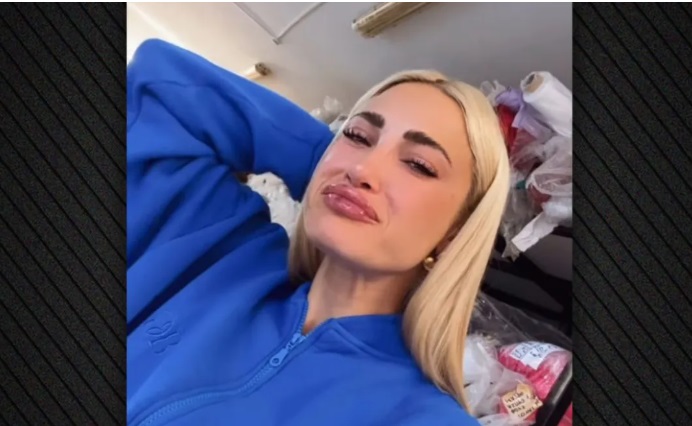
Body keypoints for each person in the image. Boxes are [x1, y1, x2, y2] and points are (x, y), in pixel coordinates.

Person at [127, 39, 509, 426]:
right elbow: (158, 80)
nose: (361, 169)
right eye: (357, 137)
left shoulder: (421, 417)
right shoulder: (219, 252)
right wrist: (321, 169)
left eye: (418, 165)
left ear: (453, 235)